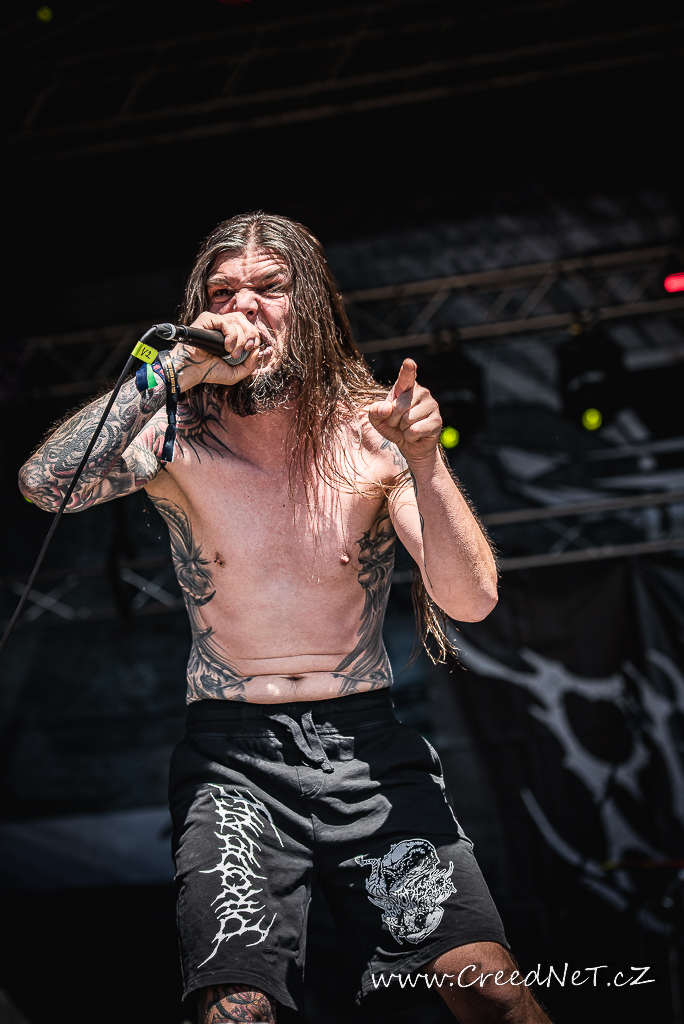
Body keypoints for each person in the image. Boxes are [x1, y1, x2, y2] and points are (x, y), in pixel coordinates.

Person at [19, 213, 551, 1024]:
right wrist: (167, 371)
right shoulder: (176, 435)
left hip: (366, 750)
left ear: (313, 308)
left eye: (270, 288)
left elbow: (472, 599)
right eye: (222, 292)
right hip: (233, 760)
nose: (243, 307)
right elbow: (45, 486)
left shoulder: (372, 431)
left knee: (493, 993)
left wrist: (424, 459)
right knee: (237, 1010)